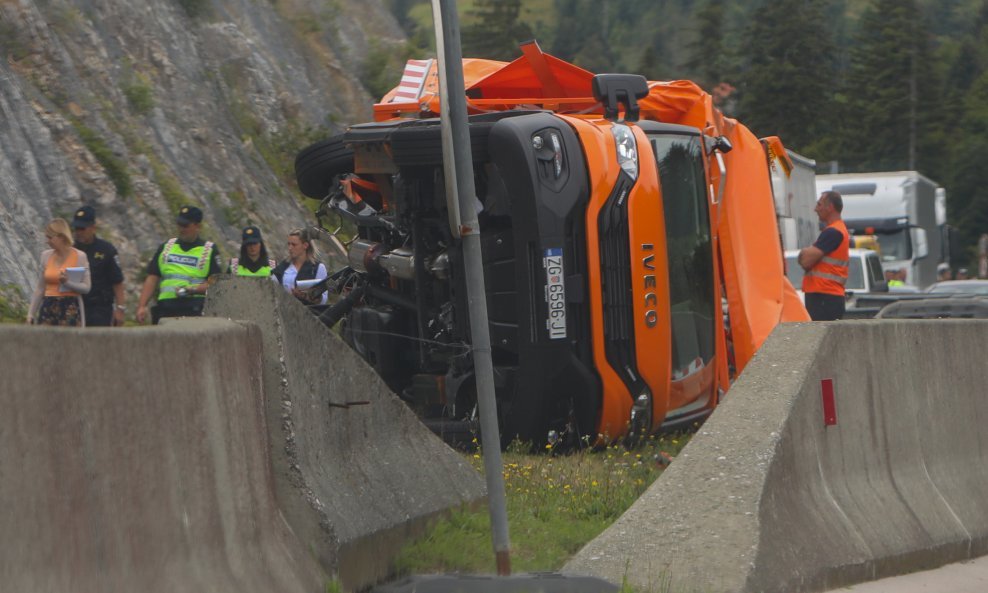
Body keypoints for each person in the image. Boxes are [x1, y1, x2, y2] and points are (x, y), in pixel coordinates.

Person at [136, 205, 223, 324]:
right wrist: (142, 305)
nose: (181, 229)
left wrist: (193, 289)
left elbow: (216, 284)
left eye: (186, 226)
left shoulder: (209, 250)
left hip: (194, 309)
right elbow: (152, 278)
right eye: (179, 224)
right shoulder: (166, 247)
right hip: (166, 308)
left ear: (198, 226)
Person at [27, 218, 92, 326]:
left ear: (61, 237)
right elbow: (40, 289)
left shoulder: (80, 257)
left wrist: (67, 283)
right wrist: (31, 314)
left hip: (70, 307)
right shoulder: (46, 256)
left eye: (50, 237)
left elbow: (86, 288)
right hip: (48, 306)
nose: (47, 241)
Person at [71, 205, 126, 326]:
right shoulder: (71, 250)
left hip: (100, 308)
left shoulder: (106, 250)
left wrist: (120, 309)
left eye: (82, 228)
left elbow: (117, 281)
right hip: (76, 306)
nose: (79, 232)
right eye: (76, 228)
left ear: (93, 228)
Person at [799, 190, 849, 321]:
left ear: (830, 207)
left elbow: (805, 261)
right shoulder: (834, 230)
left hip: (825, 296)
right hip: (825, 296)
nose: (816, 209)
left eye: (819, 204)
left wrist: (803, 253)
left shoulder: (833, 232)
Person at [272, 227, 328, 305]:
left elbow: (324, 299)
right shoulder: (283, 266)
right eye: (289, 244)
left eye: (294, 245)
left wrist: (307, 296)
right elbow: (272, 289)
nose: (290, 248)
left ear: (305, 245)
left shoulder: (318, 268)